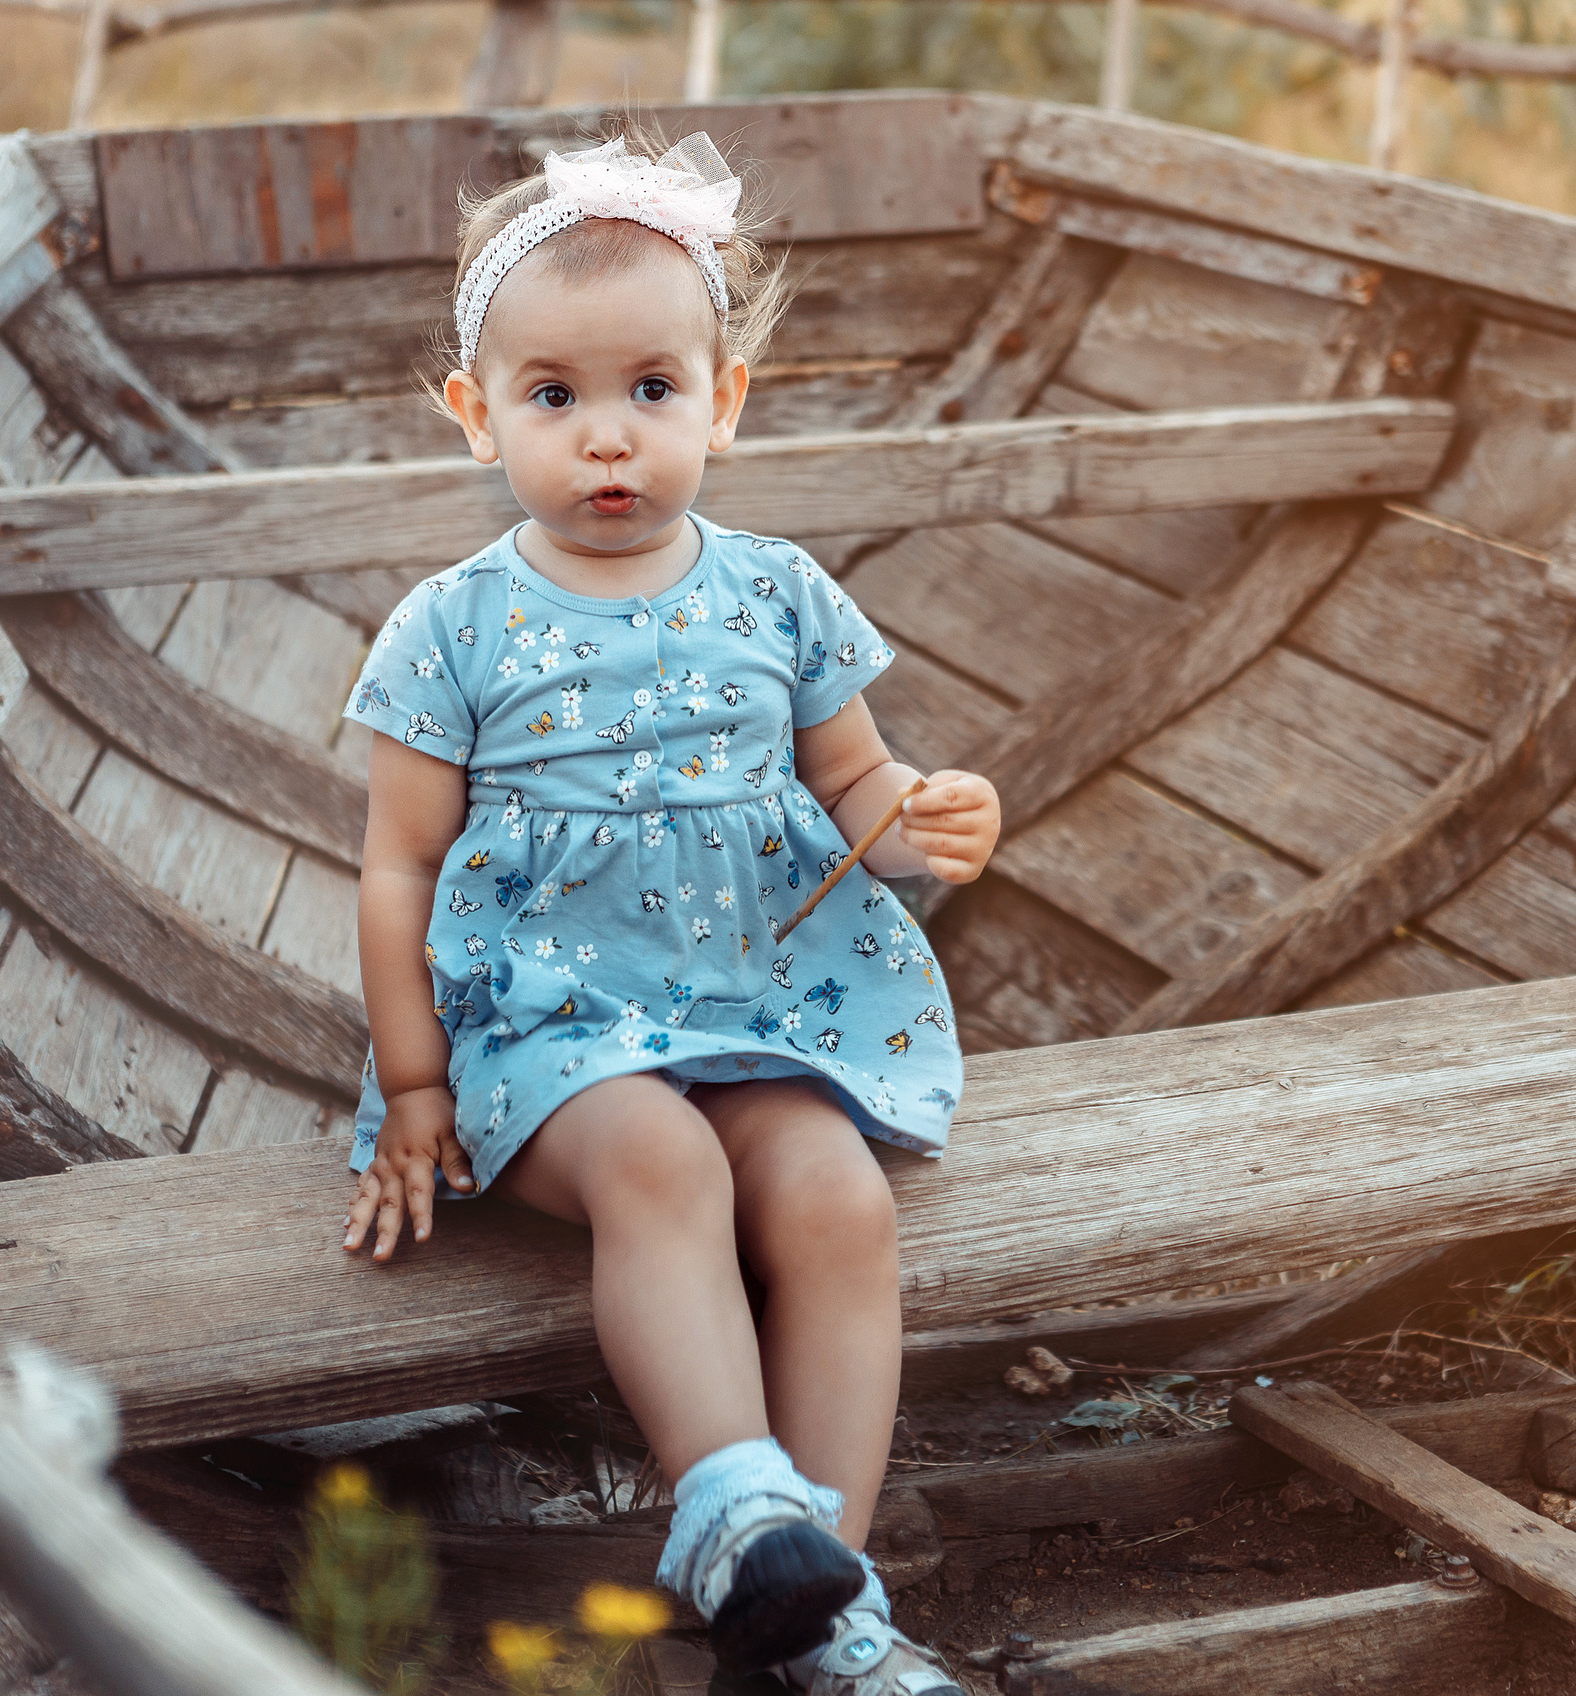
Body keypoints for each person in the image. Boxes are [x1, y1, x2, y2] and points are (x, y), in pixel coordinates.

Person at [337, 127, 997, 1696]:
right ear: (476, 417)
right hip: (542, 1030)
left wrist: (932, 822)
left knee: (836, 1201)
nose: (609, 440)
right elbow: (397, 869)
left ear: (726, 399)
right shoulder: (455, 628)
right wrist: (416, 1084)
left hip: (756, 1001)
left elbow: (863, 797)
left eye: (653, 389)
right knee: (661, 1160)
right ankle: (729, 1510)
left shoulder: (777, 593)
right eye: (553, 398)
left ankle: (821, 1618)